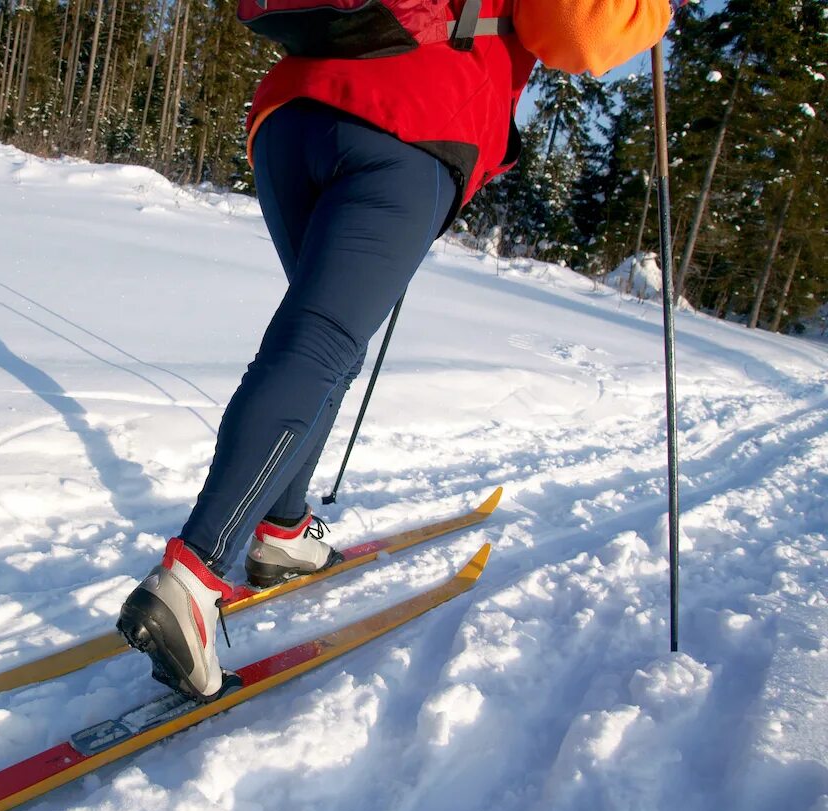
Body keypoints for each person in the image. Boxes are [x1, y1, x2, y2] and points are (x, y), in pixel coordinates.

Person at [117, 0, 677, 702]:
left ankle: (283, 530)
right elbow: (573, 27)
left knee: (321, 342)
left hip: (291, 114)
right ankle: (192, 576)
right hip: (410, 122)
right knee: (322, 341)